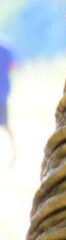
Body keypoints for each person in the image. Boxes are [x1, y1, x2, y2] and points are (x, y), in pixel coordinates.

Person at [0, 35, 14, 168]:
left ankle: (14, 153)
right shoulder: (5, 47)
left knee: (5, 124)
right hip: (3, 91)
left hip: (2, 91)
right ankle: (14, 152)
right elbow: (13, 66)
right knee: (5, 124)